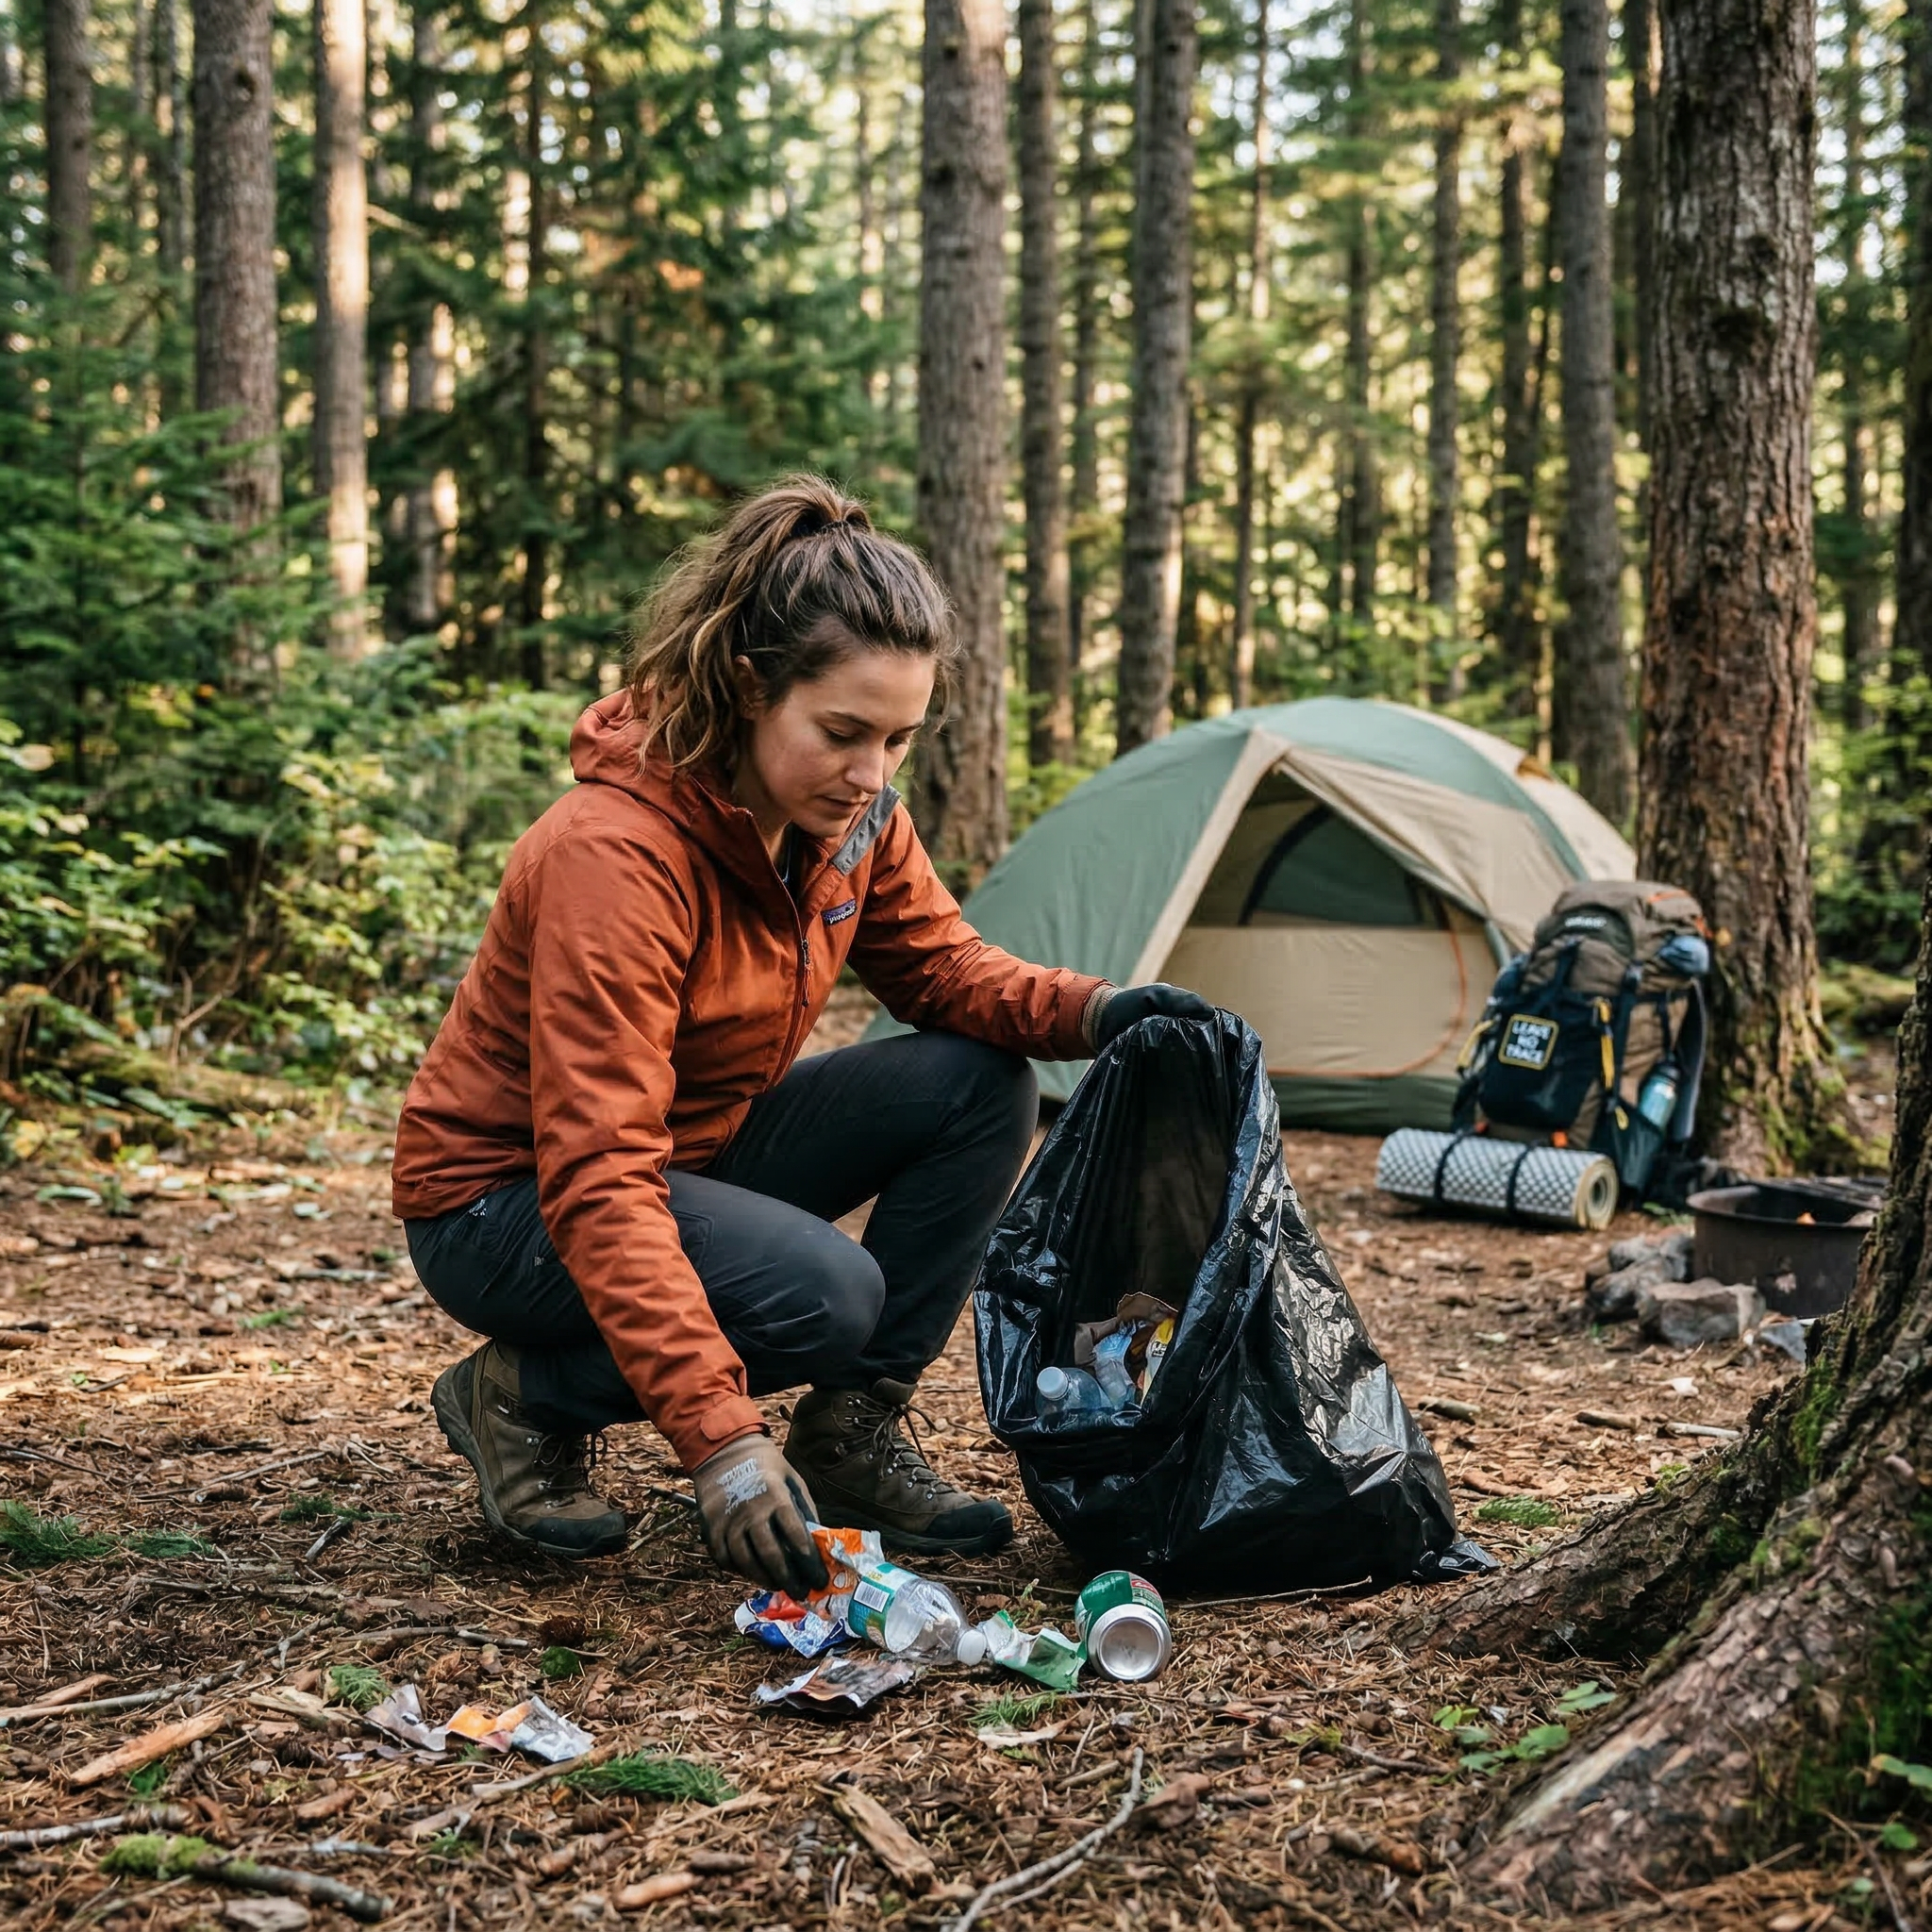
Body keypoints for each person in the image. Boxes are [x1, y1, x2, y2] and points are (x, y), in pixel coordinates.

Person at [391, 476, 1212, 1598]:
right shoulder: (612, 855)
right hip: (504, 1199)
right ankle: (523, 1392)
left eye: (898, 738)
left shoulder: (850, 819)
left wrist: (1097, 1010)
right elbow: (595, 1172)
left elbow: (939, 970)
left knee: (980, 1081)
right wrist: (720, 1440)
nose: (872, 773)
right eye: (841, 732)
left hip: (683, 1155)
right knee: (823, 1295)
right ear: (746, 685)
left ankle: (848, 1440)